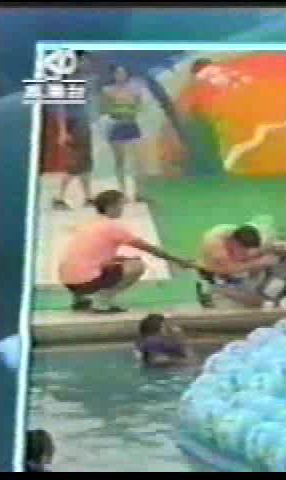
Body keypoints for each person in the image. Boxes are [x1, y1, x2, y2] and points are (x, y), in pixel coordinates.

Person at [58, 190, 196, 313]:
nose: (122, 209)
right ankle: (102, 301)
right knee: (137, 266)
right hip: (85, 282)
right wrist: (179, 261)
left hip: (68, 282)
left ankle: (79, 299)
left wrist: (121, 259)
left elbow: (92, 256)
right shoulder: (112, 227)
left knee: (107, 262)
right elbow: (151, 249)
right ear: (111, 207)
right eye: (120, 205)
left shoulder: (89, 224)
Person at [51, 50, 99, 211]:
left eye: (87, 60)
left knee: (86, 162)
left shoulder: (87, 79)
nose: (86, 63)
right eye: (83, 60)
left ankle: (88, 197)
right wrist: (62, 131)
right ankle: (59, 198)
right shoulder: (66, 81)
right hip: (74, 125)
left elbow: (90, 103)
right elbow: (60, 108)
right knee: (76, 164)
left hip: (84, 123)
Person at [196, 224, 281, 309]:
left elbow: (259, 250)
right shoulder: (216, 246)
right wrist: (257, 263)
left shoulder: (242, 236)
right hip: (211, 271)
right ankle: (210, 291)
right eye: (241, 251)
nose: (243, 255)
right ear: (233, 243)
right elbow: (229, 268)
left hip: (230, 275)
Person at [101, 65, 147, 203]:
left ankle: (138, 192)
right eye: (117, 73)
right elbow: (104, 109)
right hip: (116, 125)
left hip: (131, 125)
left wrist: (132, 101)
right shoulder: (107, 90)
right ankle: (123, 193)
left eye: (122, 73)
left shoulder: (134, 89)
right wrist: (117, 103)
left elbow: (139, 106)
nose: (120, 75)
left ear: (127, 74)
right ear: (113, 75)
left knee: (138, 161)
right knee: (120, 161)